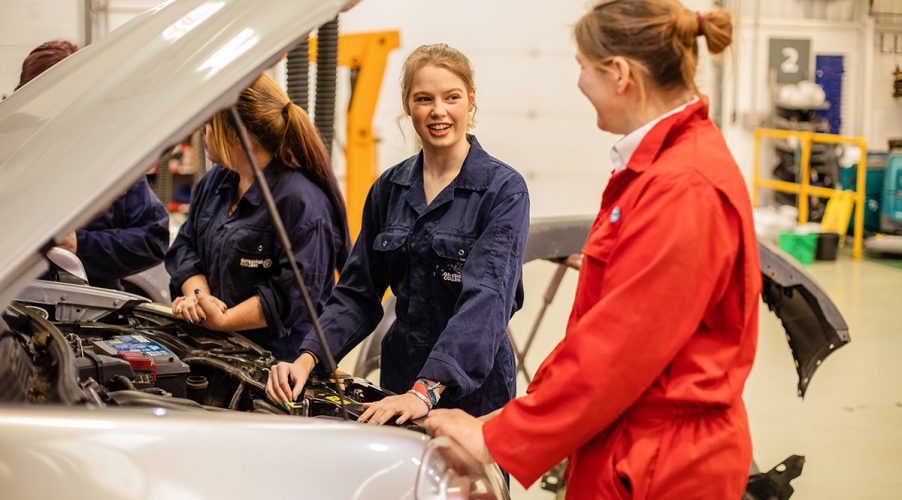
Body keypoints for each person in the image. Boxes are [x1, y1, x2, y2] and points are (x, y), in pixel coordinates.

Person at [424, 2, 762, 498]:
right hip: (626, 439)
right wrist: (514, 414)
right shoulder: (657, 167)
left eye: (583, 67)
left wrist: (498, 436)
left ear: (620, 73)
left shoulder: (684, 185)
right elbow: (595, 329)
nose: (579, 83)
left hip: (661, 466)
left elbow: (618, 350)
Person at [266, 44, 530, 426]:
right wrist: (308, 357)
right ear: (408, 105)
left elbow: (487, 300)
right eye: (424, 99)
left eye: (451, 97)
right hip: (400, 377)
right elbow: (358, 293)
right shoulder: (390, 188)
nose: (438, 111)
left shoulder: (503, 190)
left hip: (472, 390)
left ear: (470, 101)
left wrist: (427, 391)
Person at [165, 73, 349, 361]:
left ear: (243, 137)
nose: (204, 132)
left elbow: (293, 297)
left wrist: (225, 320)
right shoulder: (215, 183)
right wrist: (198, 296)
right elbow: (186, 248)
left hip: (277, 365)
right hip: (214, 351)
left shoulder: (301, 202)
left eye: (211, 124)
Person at [17, 40, 169, 290]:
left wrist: (80, 245)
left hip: (89, 311)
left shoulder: (111, 159)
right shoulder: (9, 156)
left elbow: (154, 240)